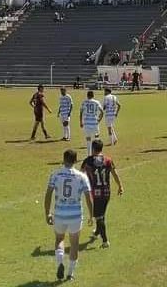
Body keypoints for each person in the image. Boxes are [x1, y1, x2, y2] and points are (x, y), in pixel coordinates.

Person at [44, 149, 94, 282]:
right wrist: (91, 215)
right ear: (76, 160)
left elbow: (48, 194)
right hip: (75, 215)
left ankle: (60, 262)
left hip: (60, 213)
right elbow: (88, 196)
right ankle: (70, 273)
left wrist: (47, 212)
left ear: (63, 159)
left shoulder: (55, 174)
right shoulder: (81, 176)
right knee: (74, 244)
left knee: (59, 239)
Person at [81, 139, 123, 248]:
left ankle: (105, 241)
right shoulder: (108, 160)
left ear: (92, 148)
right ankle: (96, 233)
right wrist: (120, 186)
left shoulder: (88, 161)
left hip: (96, 193)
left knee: (99, 217)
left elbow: (80, 174)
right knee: (101, 215)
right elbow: (115, 173)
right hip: (106, 192)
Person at [80, 90, 104, 156]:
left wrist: (81, 122)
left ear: (87, 95)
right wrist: (99, 119)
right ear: (93, 95)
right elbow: (102, 112)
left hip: (87, 123)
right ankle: (98, 153)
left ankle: (89, 154)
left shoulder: (84, 102)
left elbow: (81, 112)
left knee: (88, 139)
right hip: (94, 123)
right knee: (96, 138)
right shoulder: (96, 102)